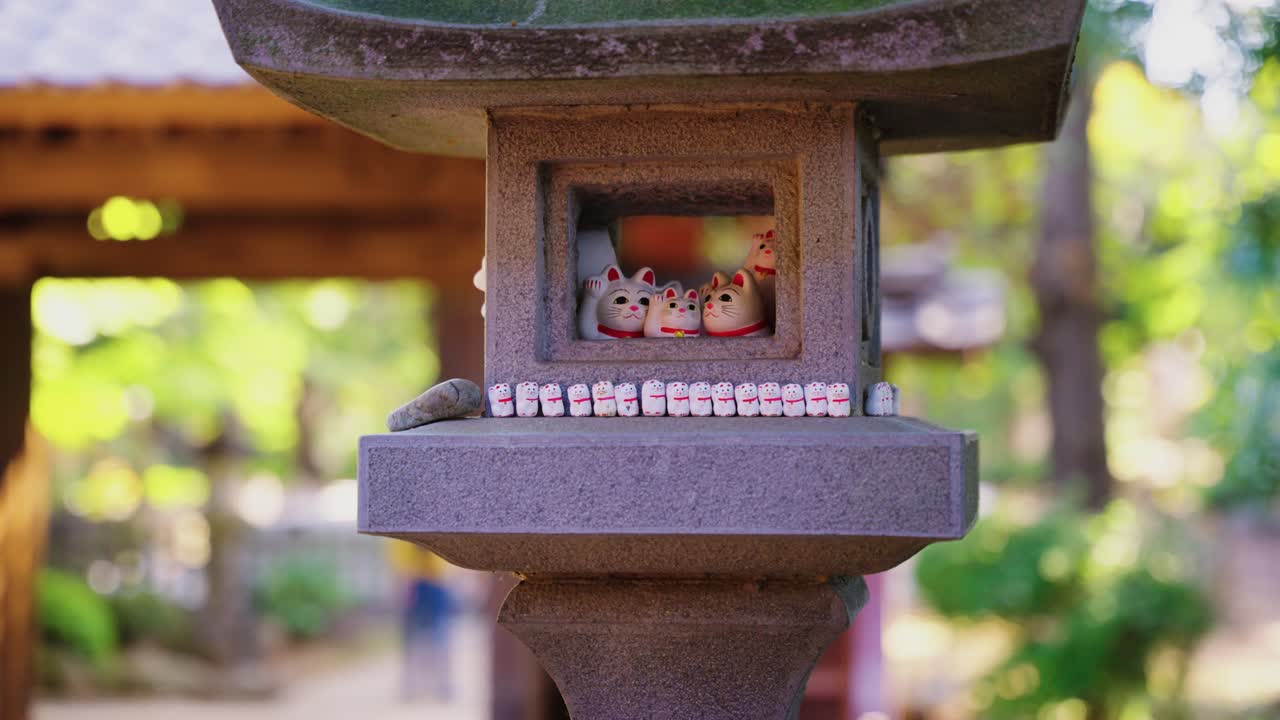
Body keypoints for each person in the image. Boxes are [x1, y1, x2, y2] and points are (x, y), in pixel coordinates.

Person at [387, 540, 456, 702]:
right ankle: (414, 683)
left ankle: (440, 683)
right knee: (414, 638)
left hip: (435, 580)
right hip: (413, 581)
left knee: (439, 637)